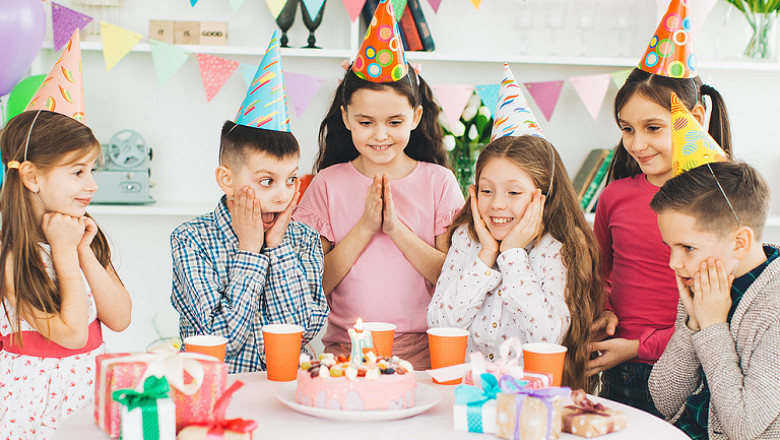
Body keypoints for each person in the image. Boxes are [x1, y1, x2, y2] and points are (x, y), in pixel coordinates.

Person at [292, 0, 463, 369]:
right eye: (366, 122)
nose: (380, 135)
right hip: (343, 355)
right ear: (346, 117)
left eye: (394, 122)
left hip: (424, 355)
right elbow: (312, 284)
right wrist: (366, 226)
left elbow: (454, 279)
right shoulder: (326, 184)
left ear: (416, 117)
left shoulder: (439, 183)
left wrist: (395, 228)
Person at [588, 0, 733, 415]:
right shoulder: (615, 195)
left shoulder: (718, 201)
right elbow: (602, 271)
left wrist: (639, 345)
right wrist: (604, 310)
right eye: (627, 129)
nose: (636, 144)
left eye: (653, 128)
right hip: (618, 367)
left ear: (697, 118)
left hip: (692, 369)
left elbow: (719, 304)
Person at [171, 31, 328, 374]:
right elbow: (216, 339)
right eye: (266, 181)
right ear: (227, 180)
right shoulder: (191, 239)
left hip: (288, 391)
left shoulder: (302, 239)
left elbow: (302, 330)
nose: (282, 195)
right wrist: (249, 250)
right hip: (217, 394)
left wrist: (275, 248)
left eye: (290, 180)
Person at [428, 135, 603, 391]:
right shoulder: (467, 239)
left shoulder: (557, 249)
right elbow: (440, 325)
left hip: (529, 404)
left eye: (513, 192)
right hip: (467, 396)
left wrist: (512, 255)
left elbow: (547, 338)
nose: (498, 204)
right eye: (487, 191)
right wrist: (486, 254)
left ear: (543, 196)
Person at [0, 110, 132, 439]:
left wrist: (82, 250)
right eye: (78, 172)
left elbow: (119, 318)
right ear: (32, 177)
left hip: (89, 394)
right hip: (33, 404)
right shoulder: (12, 256)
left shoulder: (80, 236)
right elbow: (73, 335)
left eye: (92, 170)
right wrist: (62, 251)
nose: (92, 184)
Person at [648, 161, 780, 439]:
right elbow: (664, 399)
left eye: (687, 248)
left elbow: (743, 426)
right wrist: (692, 323)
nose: (673, 263)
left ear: (740, 243)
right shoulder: (704, 282)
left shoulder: (774, 307)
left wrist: (711, 327)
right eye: (670, 247)